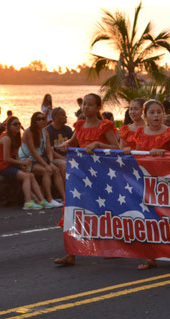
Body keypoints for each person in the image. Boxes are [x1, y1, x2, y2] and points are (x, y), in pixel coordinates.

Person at [55, 93, 120, 266]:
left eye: (90, 105)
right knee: (73, 211)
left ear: (98, 107)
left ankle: (110, 247)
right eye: (84, 104)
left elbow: (116, 148)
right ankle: (71, 253)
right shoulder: (80, 125)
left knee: (102, 212)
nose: (86, 107)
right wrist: (65, 145)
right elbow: (73, 141)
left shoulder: (104, 126)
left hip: (100, 176)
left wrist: (98, 145)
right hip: (82, 176)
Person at [126, 100, 170, 270]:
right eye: (152, 112)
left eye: (159, 112)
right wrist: (129, 151)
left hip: (167, 183)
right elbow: (137, 153)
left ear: (164, 114)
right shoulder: (141, 132)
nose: (156, 115)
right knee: (146, 219)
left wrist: (166, 153)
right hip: (145, 182)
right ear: (145, 115)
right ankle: (150, 257)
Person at [0, 116, 47, 210]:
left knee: (30, 175)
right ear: (9, 126)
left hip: (10, 165)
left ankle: (41, 200)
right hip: (2, 167)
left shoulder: (16, 138)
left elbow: (16, 156)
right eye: (15, 124)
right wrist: (23, 163)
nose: (18, 126)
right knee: (26, 177)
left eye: (19, 124)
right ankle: (28, 202)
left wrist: (21, 165)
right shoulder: (6, 138)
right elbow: (6, 159)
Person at [19, 112, 65, 208]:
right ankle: (49, 199)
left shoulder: (45, 133)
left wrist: (51, 162)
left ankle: (65, 198)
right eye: (38, 119)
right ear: (34, 121)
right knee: (46, 170)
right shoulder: (28, 132)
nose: (41, 121)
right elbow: (34, 153)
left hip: (40, 159)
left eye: (43, 119)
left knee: (55, 170)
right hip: (28, 160)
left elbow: (48, 149)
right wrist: (46, 165)